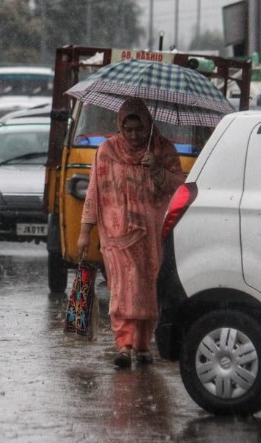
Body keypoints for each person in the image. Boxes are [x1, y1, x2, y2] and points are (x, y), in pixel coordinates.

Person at [77, 98, 185, 368]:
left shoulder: (163, 151)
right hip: (116, 234)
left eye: (139, 129)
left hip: (152, 234)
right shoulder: (106, 152)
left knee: (148, 288)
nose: (134, 135)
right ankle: (123, 345)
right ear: (120, 127)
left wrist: (157, 169)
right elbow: (94, 193)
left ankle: (142, 345)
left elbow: (179, 188)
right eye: (129, 130)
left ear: (148, 125)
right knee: (123, 289)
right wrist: (84, 232)